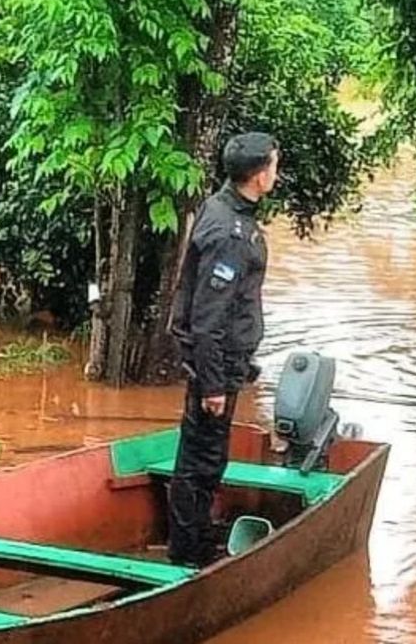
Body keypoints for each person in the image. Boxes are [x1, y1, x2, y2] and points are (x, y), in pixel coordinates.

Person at [167, 132, 279, 567]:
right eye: (273, 165)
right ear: (258, 174)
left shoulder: (223, 208)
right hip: (215, 366)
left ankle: (194, 543)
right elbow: (208, 317)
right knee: (202, 461)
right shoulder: (230, 234)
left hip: (221, 363)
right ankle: (190, 557)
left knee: (201, 455)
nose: (276, 173)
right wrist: (213, 383)